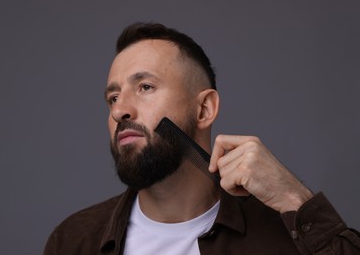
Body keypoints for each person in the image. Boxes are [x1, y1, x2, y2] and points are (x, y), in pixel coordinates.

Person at [44, 22, 360, 255]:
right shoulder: (73, 241)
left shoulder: (281, 239)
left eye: (145, 88)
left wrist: (295, 200)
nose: (119, 111)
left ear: (204, 109)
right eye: (113, 98)